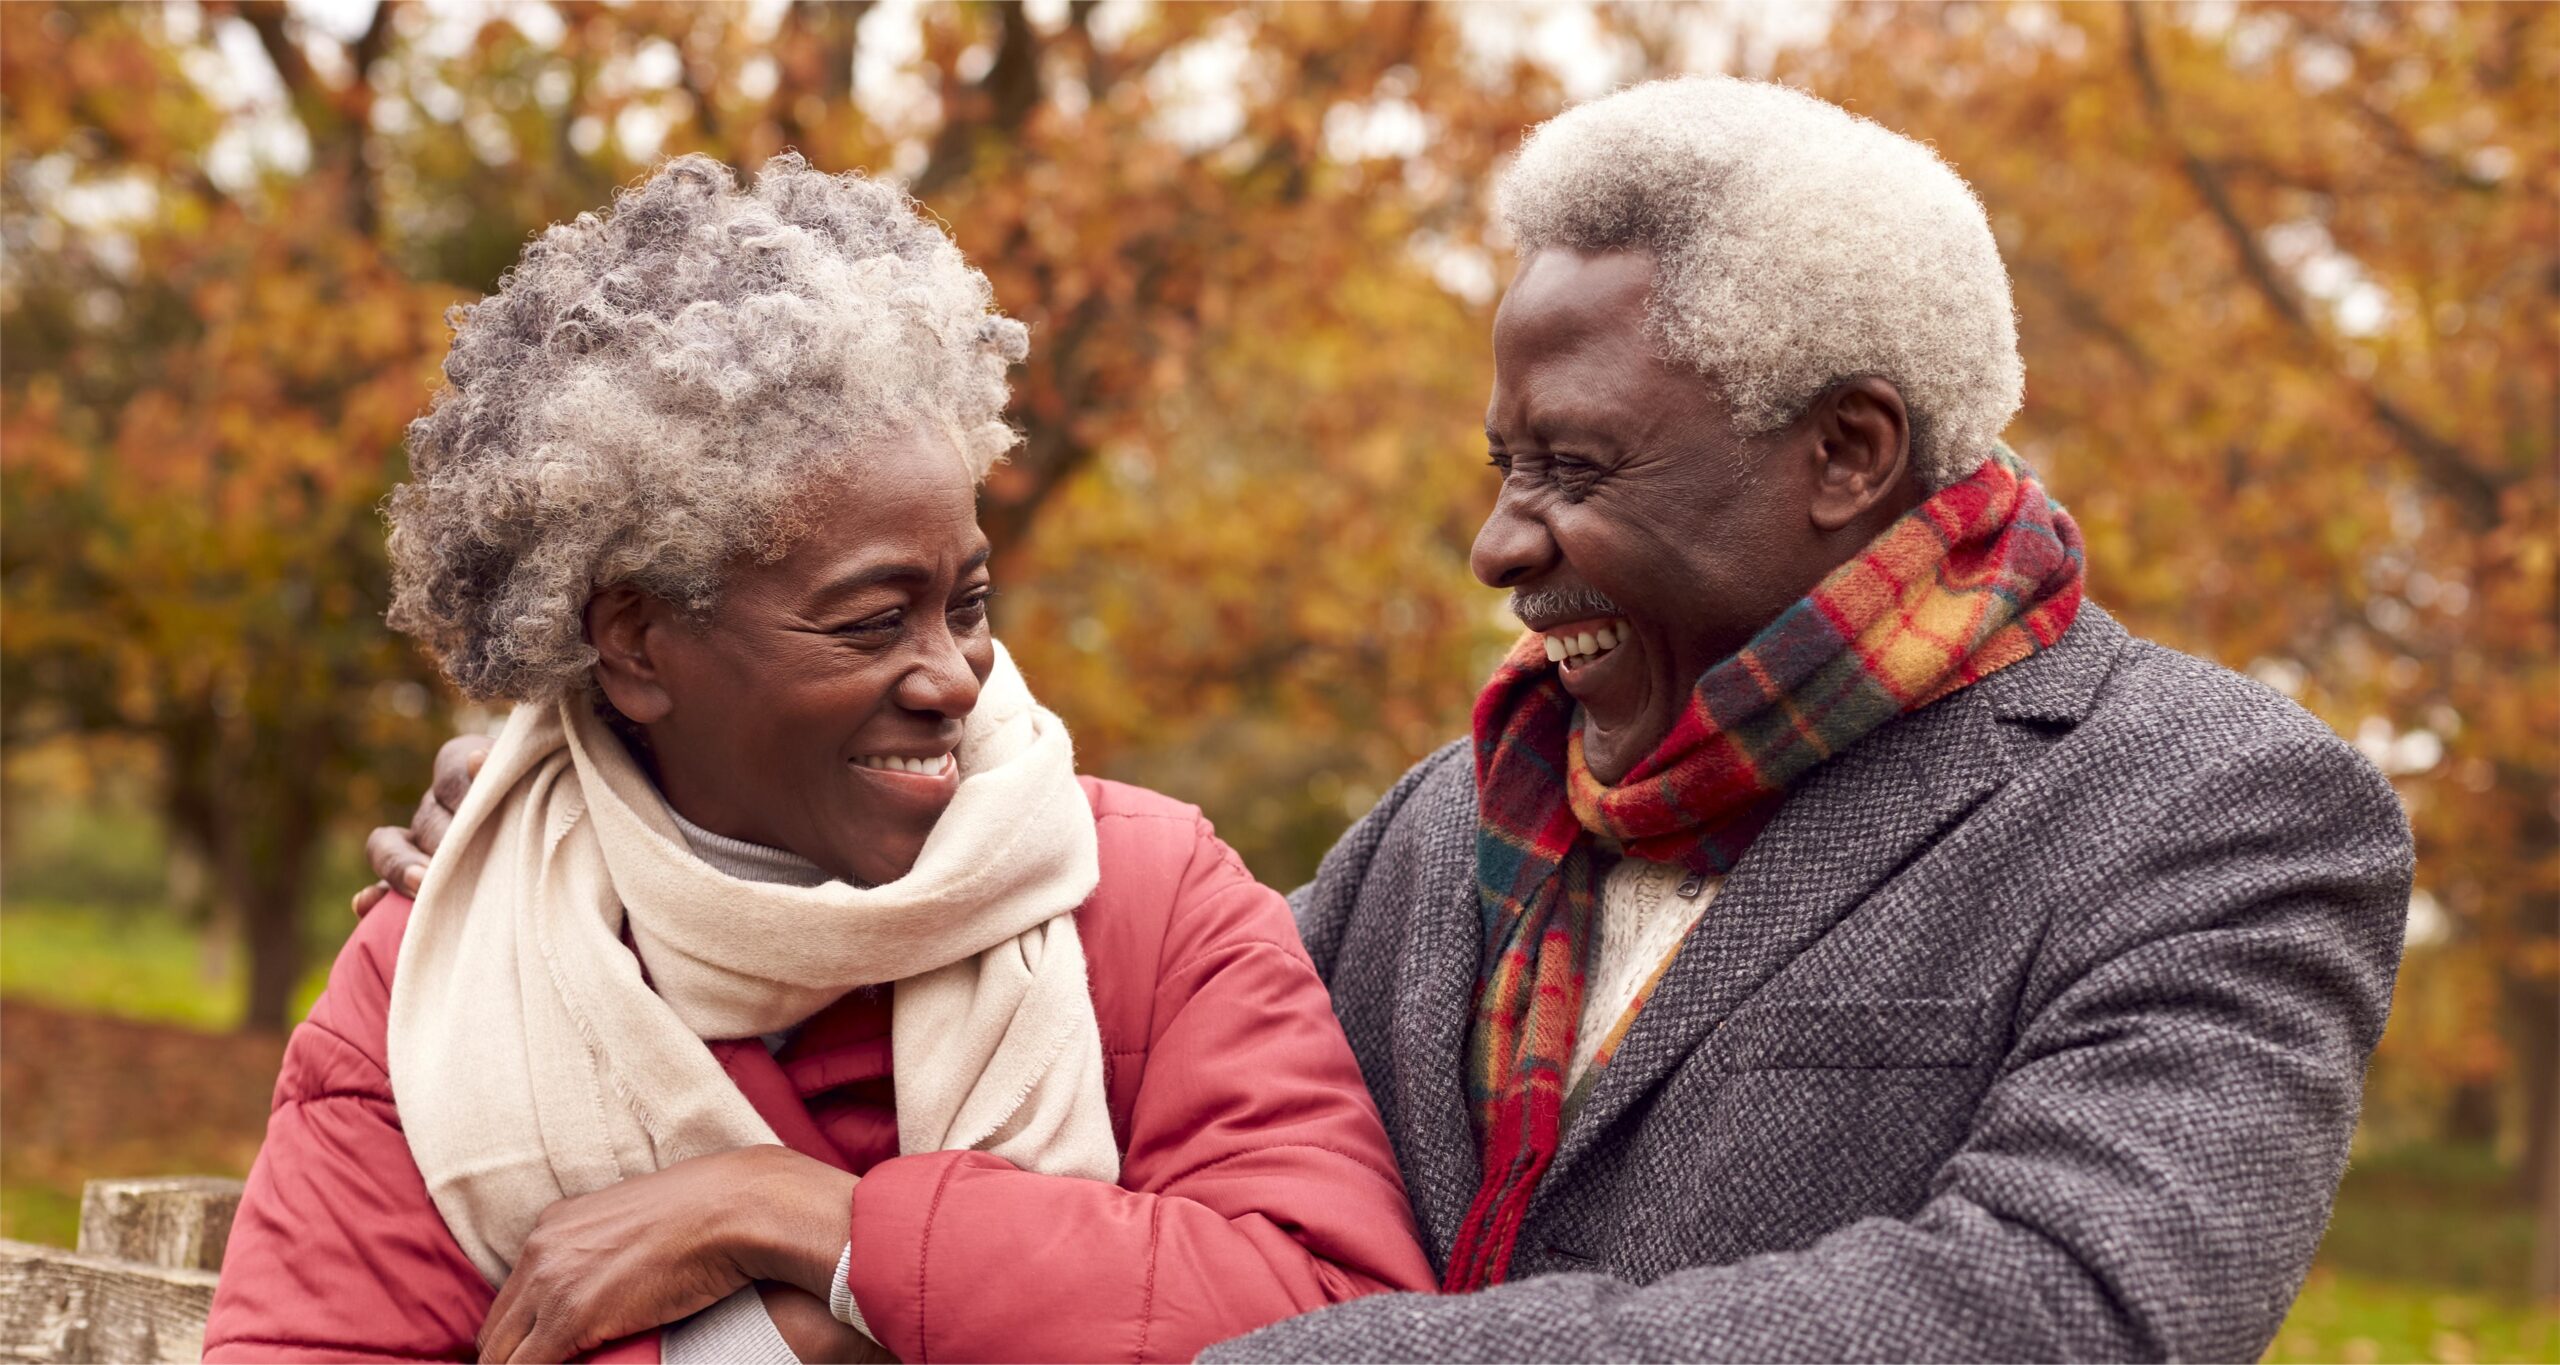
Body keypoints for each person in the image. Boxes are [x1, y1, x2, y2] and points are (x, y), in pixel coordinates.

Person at [370, 79, 2414, 1363]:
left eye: (1573, 468)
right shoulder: (1460, 823)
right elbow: (1104, 1016)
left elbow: (2056, 1309)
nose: (1495, 542)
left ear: (1848, 451)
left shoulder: (2205, 812)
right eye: (1497, 460)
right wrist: (616, 852)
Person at [205, 153, 1432, 1365]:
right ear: (635, 643)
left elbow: (1341, 1321)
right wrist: (780, 1346)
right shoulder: (452, 962)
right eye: (868, 620)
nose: (954, 677)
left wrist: (805, 1224)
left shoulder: (1151, 899)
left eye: (966, 601)